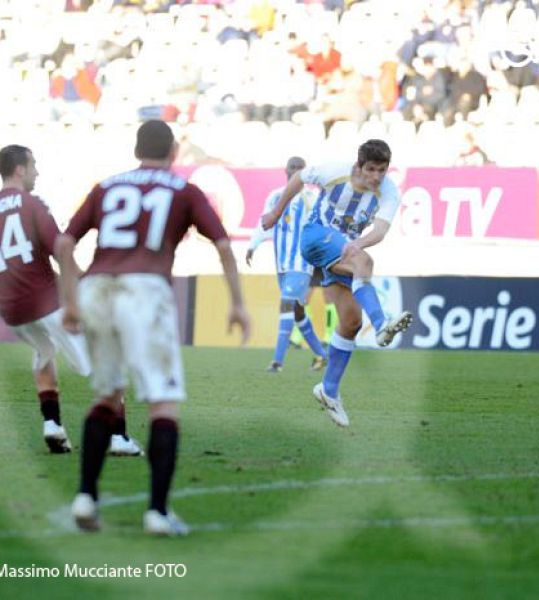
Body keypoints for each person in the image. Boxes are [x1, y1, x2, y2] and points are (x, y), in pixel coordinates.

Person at [54, 120, 250, 536]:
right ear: (174, 152)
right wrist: (237, 303)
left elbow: (65, 243)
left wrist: (70, 301)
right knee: (162, 403)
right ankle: (158, 512)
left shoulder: (106, 186)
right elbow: (223, 244)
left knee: (106, 396)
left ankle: (86, 496)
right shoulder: (183, 190)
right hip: (145, 288)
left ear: (136, 148)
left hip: (97, 287)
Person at [0, 144, 141, 457]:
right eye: (33, 165)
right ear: (20, 169)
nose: (37, 172)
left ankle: (52, 424)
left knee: (44, 352)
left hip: (12, 310)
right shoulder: (32, 204)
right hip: (47, 301)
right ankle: (118, 437)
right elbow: (60, 247)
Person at [261, 139, 412, 428]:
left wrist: (358, 243)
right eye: (371, 169)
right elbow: (298, 178)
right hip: (315, 236)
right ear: (359, 166)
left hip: (343, 249)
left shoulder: (389, 192)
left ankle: (328, 390)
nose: (377, 176)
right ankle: (381, 325)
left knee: (351, 320)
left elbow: (380, 230)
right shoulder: (335, 172)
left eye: (382, 170)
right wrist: (277, 212)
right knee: (365, 264)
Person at [246, 156, 327, 373]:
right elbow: (263, 223)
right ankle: (322, 355)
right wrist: (253, 245)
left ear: (306, 172)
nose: (296, 171)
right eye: (293, 167)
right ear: (285, 170)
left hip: (301, 263)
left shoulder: (312, 199)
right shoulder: (274, 197)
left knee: (286, 303)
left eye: (300, 168)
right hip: (281, 263)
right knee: (297, 312)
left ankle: (277, 362)